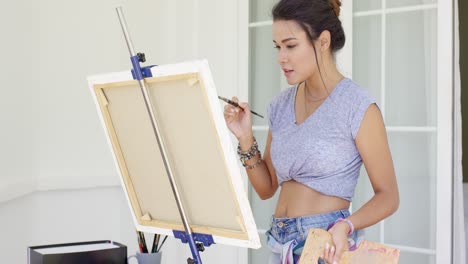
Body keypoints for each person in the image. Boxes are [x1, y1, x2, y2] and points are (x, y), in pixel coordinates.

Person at [223, 0, 399, 263]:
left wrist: (346, 225)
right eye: (278, 47)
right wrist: (245, 137)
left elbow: (389, 197)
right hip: (279, 246)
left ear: (323, 42)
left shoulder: (357, 107)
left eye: (291, 45)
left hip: (325, 246)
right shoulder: (280, 106)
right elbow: (267, 188)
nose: (282, 57)